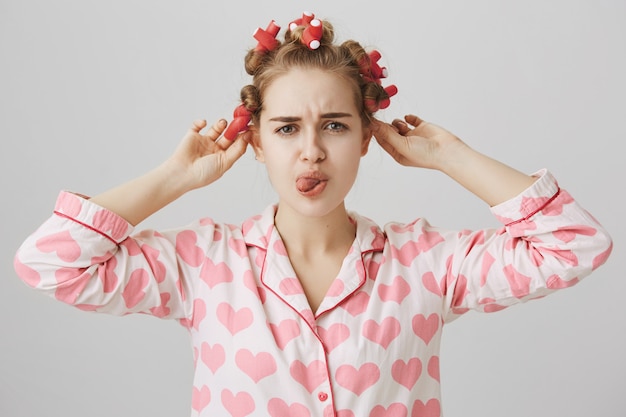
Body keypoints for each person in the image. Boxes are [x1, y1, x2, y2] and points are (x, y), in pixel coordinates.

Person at [13, 11, 613, 417]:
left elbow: (576, 245)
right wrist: (176, 178)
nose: (312, 150)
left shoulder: (423, 264)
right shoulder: (204, 264)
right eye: (286, 128)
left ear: (366, 136)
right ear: (255, 141)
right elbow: (50, 265)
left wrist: (449, 156)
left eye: (334, 125)